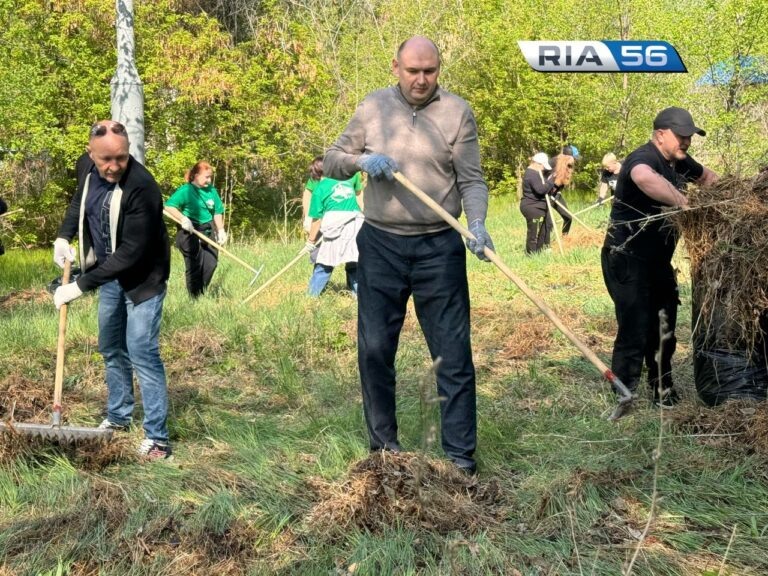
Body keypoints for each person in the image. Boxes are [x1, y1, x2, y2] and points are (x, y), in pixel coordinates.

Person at [324, 35, 493, 475]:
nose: (421, 80)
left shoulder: (457, 112)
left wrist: (476, 224)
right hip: (380, 245)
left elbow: (472, 181)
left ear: (439, 69)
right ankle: (384, 450)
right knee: (376, 350)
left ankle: (460, 459)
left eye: (429, 71)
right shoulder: (372, 107)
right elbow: (333, 158)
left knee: (453, 355)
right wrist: (362, 162)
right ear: (395, 67)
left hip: (439, 246)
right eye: (413, 70)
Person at [52, 120, 172, 459]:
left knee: (142, 352)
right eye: (105, 159)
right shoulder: (87, 168)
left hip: (143, 281)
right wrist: (64, 236)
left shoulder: (143, 187)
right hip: (109, 277)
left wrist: (79, 286)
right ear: (91, 154)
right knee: (110, 347)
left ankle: (158, 439)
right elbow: (80, 200)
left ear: (128, 151)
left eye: (120, 158)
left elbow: (131, 253)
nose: (113, 166)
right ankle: (118, 417)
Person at [602, 107, 718, 411]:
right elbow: (643, 178)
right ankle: (623, 389)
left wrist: (737, 193)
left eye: (690, 136)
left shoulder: (680, 161)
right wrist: (686, 203)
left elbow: (708, 178)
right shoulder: (644, 158)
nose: (687, 141)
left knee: (665, 323)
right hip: (626, 258)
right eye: (682, 136)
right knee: (635, 325)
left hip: (657, 262)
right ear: (661, 135)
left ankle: (662, 387)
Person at [164, 161, 227, 298]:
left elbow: (217, 211)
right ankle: (194, 297)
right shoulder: (185, 191)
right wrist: (183, 219)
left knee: (211, 263)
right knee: (194, 265)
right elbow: (169, 207)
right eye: (206, 177)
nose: (209, 181)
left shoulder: (211, 191)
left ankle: (201, 292)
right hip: (189, 230)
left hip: (208, 229)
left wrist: (221, 229)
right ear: (196, 176)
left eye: (210, 177)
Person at [304, 159, 364, 296]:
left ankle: (310, 297)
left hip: (336, 229)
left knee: (325, 263)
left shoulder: (320, 188)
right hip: (356, 225)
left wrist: (311, 241)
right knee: (354, 261)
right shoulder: (346, 182)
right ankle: (360, 296)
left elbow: (317, 220)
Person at [519, 152, 557, 254]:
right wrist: (551, 180)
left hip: (540, 206)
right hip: (532, 207)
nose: (543, 169)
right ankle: (531, 254)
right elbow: (540, 190)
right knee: (533, 232)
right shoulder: (531, 174)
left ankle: (540, 250)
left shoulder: (537, 173)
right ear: (537, 164)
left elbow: (545, 187)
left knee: (547, 225)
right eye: (543, 166)